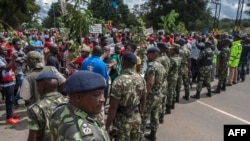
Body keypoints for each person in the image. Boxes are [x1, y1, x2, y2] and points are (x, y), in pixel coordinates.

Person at [50, 71, 110, 141]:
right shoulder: (88, 137)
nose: (103, 99)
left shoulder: (60, 110)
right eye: (97, 94)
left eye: (102, 93)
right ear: (78, 97)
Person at [105, 52, 146, 141]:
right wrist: (141, 113)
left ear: (123, 62)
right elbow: (143, 99)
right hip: (136, 118)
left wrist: (107, 126)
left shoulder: (119, 81)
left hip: (122, 120)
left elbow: (113, 107)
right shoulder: (141, 78)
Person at [27, 72, 68, 141]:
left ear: (42, 88)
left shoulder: (35, 108)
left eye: (37, 87)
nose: (37, 89)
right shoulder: (70, 102)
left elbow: (33, 137)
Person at [141, 47, 165, 141]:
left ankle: (140, 135)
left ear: (152, 54)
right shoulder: (161, 66)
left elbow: (150, 83)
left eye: (148, 54)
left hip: (151, 96)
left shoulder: (152, 67)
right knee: (155, 115)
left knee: (144, 116)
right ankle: (153, 135)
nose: (147, 56)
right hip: (158, 94)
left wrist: (144, 96)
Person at [0, 46, 21, 124]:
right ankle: (9, 118)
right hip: (5, 83)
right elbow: (6, 68)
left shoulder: (3, 58)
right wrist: (13, 59)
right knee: (9, 100)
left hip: (9, 81)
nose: (6, 50)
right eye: (3, 49)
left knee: (11, 98)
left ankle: (11, 114)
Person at [155, 42, 170, 123]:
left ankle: (156, 120)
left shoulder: (160, 59)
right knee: (163, 100)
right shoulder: (167, 58)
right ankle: (161, 118)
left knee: (158, 103)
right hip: (165, 81)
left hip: (160, 82)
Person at [11, 38, 26, 106]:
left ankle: (14, 99)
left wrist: (23, 58)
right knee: (24, 88)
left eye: (20, 44)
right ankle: (14, 99)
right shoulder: (14, 52)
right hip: (19, 72)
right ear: (14, 45)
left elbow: (26, 58)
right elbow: (21, 61)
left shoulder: (21, 51)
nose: (19, 45)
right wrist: (23, 58)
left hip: (23, 71)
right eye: (17, 44)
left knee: (20, 87)